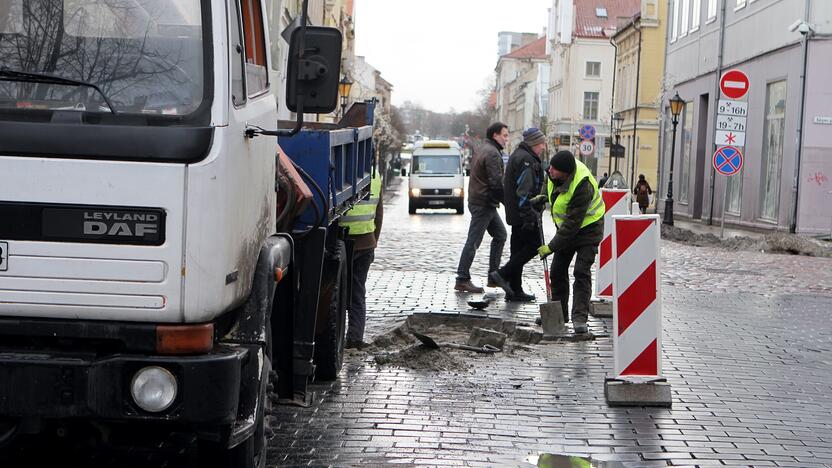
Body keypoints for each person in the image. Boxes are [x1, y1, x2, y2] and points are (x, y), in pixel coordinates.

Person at [537, 151, 605, 334]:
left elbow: (572, 226)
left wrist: (550, 247)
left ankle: (579, 318)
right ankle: (559, 314)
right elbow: (548, 182)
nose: (549, 170)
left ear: (566, 173)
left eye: (554, 169)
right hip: (568, 229)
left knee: (581, 272)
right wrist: (543, 196)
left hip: (589, 229)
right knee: (558, 270)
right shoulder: (554, 172)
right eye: (550, 167)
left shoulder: (582, 185)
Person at [488, 128, 546, 302]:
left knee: (517, 250)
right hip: (524, 214)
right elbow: (524, 192)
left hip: (516, 214)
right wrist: (529, 216)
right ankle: (502, 274)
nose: (543, 147)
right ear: (534, 143)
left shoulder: (519, 155)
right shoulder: (527, 160)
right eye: (541, 143)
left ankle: (514, 289)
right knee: (534, 245)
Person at [454, 122, 509, 293]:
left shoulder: (484, 148)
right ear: (495, 135)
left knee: (500, 235)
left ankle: (494, 277)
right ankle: (462, 278)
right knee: (473, 241)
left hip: (483, 201)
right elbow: (496, 183)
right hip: (484, 203)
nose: (507, 139)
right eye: (504, 135)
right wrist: (510, 204)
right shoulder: (492, 153)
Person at [340, 169, 383, 348]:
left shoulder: (342, 174)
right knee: (358, 292)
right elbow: (379, 212)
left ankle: (337, 338)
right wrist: (374, 241)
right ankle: (355, 338)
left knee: (339, 292)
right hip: (366, 242)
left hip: (341, 241)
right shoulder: (375, 175)